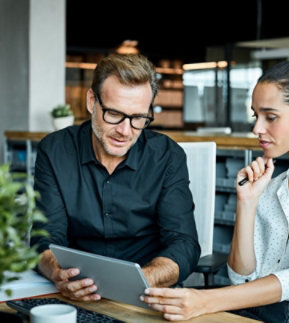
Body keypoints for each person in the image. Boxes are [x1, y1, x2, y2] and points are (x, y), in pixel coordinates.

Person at [141, 60, 289, 322]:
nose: (257, 129)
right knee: (158, 312)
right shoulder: (272, 185)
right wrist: (247, 202)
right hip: (260, 308)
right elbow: (241, 277)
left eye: (271, 117)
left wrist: (206, 301)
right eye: (256, 116)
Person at [31, 53, 200, 302]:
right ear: (92, 101)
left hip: (146, 294)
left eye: (138, 118)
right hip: (74, 291)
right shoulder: (55, 150)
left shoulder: (167, 156)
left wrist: (140, 280)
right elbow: (45, 237)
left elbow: (183, 244)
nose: (124, 131)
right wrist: (57, 272)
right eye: (113, 114)